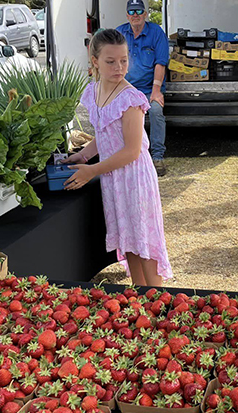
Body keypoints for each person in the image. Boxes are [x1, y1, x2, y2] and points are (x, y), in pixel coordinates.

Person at [63, 29, 172, 287]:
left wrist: (92, 170)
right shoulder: (94, 91)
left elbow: (132, 150)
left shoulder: (131, 98)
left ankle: (158, 302)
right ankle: (138, 296)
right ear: (95, 61)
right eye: (110, 61)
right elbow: (106, 134)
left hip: (134, 176)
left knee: (143, 241)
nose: (119, 67)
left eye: (124, 60)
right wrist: (82, 154)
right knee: (128, 240)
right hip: (114, 176)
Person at [117, 0, 169, 177]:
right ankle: (125, 157)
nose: (135, 15)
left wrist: (156, 90)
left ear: (145, 14)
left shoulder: (156, 32)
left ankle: (157, 157)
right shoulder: (119, 33)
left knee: (155, 111)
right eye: (131, 12)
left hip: (149, 88)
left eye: (139, 11)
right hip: (126, 89)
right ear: (127, 16)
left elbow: (160, 62)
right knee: (117, 115)